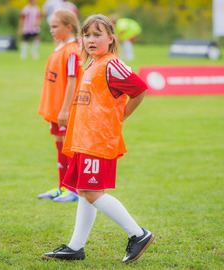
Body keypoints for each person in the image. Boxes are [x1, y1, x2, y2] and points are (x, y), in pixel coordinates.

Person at [41, 14, 154, 264]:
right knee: (84, 191)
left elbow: (139, 88)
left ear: (111, 38)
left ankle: (138, 234)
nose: (91, 39)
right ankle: (75, 247)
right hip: (84, 139)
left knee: (92, 191)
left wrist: (121, 115)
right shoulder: (92, 63)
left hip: (99, 140)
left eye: (97, 34)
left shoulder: (112, 64)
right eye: (87, 34)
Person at [37, 9, 82, 202]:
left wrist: (65, 109)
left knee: (68, 148)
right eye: (50, 27)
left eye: (55, 27)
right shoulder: (60, 47)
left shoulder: (72, 51)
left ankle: (73, 190)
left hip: (64, 109)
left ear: (68, 27)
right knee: (59, 146)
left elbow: (72, 81)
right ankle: (62, 186)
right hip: (54, 108)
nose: (51, 30)